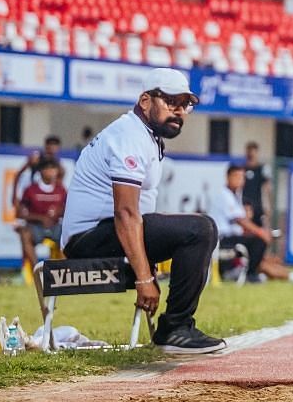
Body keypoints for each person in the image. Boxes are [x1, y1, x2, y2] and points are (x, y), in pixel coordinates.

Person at [60, 67, 225, 355]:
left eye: (185, 104)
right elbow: (126, 214)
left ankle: (176, 327)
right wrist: (144, 278)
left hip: (105, 232)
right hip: (88, 240)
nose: (180, 111)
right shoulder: (129, 136)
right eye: (171, 102)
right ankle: (176, 328)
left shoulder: (144, 134)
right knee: (201, 229)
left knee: (197, 229)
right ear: (145, 101)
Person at [211, 163, 272, 280]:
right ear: (228, 177)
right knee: (259, 240)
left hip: (232, 237)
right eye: (237, 176)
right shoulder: (224, 195)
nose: (240, 180)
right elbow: (239, 219)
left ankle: (245, 272)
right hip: (222, 239)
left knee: (256, 239)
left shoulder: (236, 196)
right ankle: (250, 274)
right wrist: (260, 232)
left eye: (242, 177)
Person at [15, 156, 67, 274]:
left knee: (69, 235)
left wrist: (58, 212)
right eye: (48, 169)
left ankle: (65, 270)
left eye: (54, 169)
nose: (51, 172)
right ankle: (37, 271)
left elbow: (69, 209)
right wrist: (40, 218)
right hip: (36, 227)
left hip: (56, 226)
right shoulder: (31, 190)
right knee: (24, 233)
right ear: (41, 171)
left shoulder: (61, 189)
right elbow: (20, 213)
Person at [241, 141, 271, 229]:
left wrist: (268, 208)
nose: (250, 155)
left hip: (258, 206)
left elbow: (267, 189)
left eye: (253, 153)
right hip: (245, 206)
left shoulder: (262, 169)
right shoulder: (242, 169)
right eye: (249, 153)